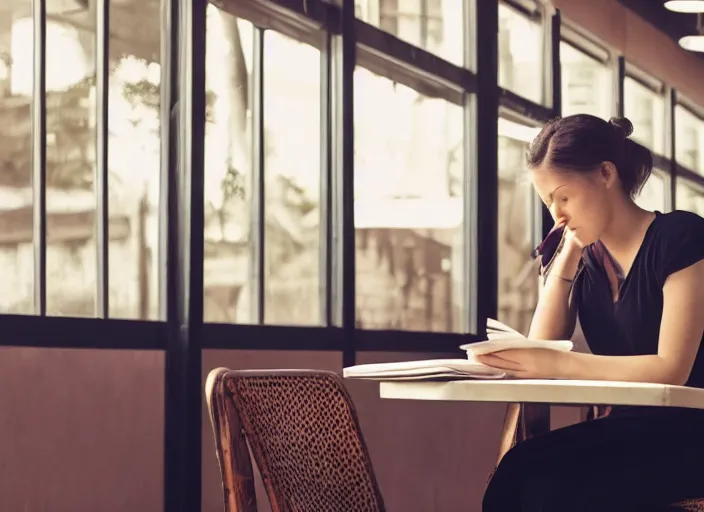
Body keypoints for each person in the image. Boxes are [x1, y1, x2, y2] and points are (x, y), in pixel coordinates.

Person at [478, 114, 704, 511]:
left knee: (549, 485)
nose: (557, 215)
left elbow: (672, 369)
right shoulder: (585, 258)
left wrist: (557, 364)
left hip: (690, 433)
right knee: (516, 473)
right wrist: (566, 258)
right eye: (547, 202)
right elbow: (542, 349)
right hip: (627, 431)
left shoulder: (682, 237)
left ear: (605, 174)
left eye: (563, 197)